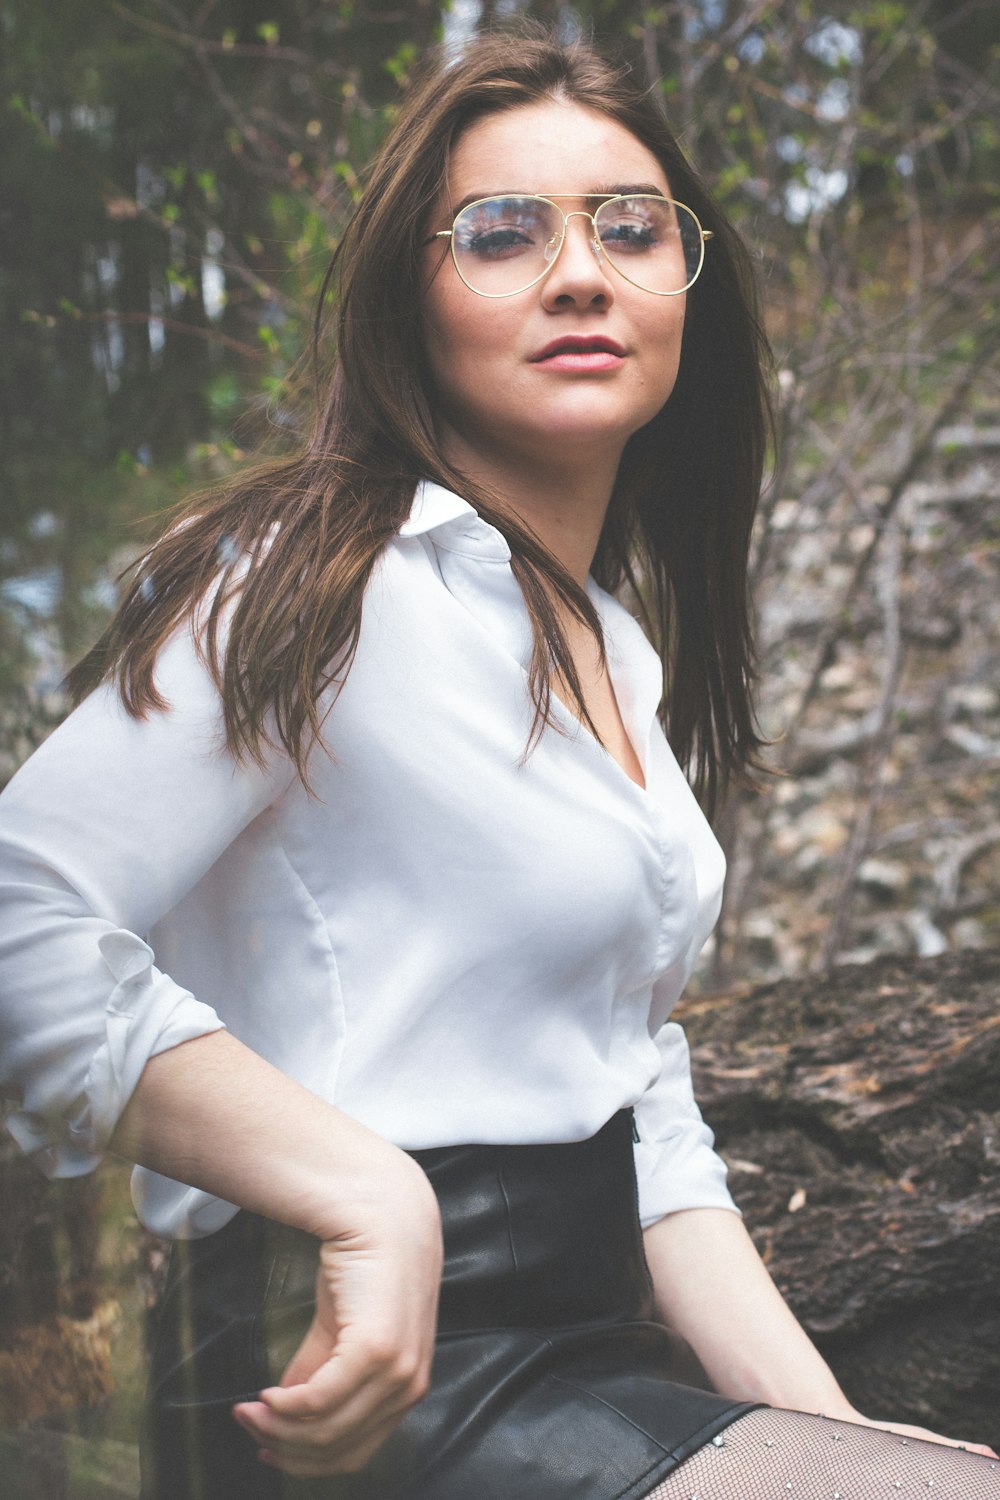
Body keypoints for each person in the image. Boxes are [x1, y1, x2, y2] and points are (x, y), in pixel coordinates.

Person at [0, 27, 996, 1500]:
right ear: (419, 297)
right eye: (502, 232)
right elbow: (22, 917)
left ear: (687, 292)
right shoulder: (311, 575)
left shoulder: (620, 653)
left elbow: (637, 1094)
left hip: (587, 1361)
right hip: (347, 1377)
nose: (580, 272)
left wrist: (839, 1436)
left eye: (630, 226)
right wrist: (365, 1196)